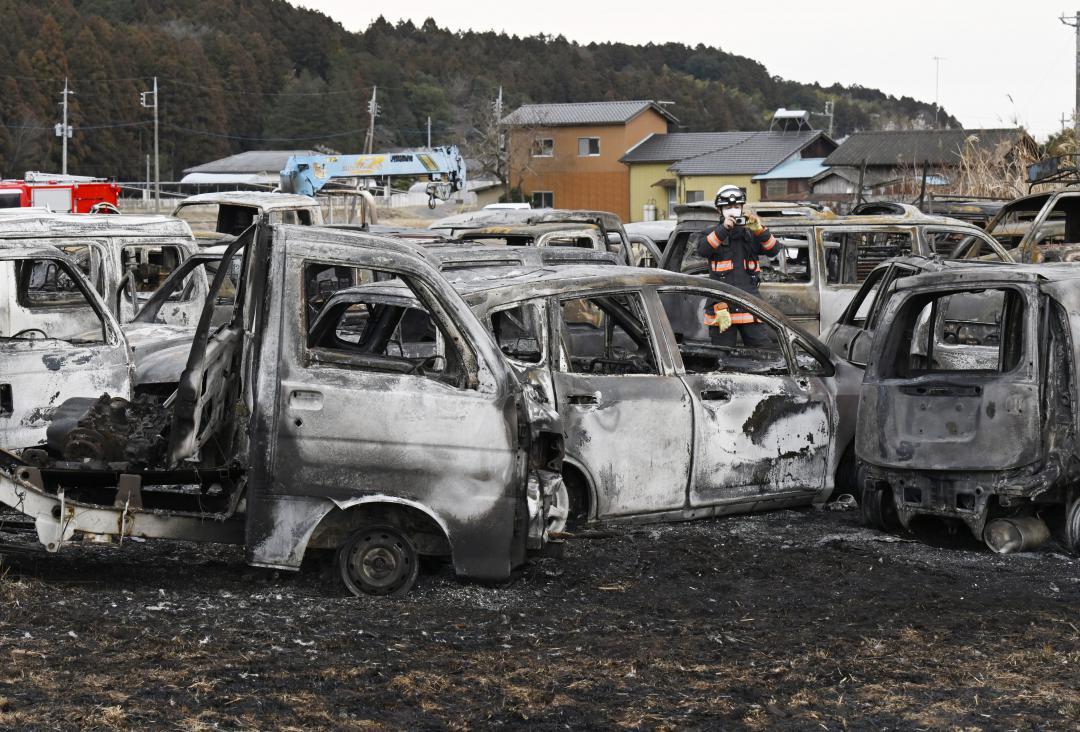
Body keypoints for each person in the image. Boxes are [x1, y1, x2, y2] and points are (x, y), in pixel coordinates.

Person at [695, 185, 780, 347]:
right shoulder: (711, 233)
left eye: (736, 206)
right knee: (723, 356)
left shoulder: (751, 233)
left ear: (742, 208)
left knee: (762, 353)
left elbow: (774, 250)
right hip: (721, 308)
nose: (733, 210)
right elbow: (703, 250)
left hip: (749, 307)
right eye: (728, 207)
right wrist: (723, 230)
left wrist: (760, 230)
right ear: (719, 210)